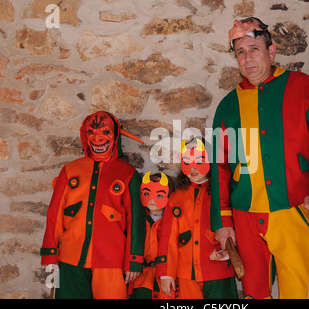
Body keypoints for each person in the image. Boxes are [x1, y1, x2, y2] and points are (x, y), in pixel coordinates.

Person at [210, 17, 309, 299]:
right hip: (244, 216)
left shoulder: (302, 87)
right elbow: (220, 168)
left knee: (298, 290)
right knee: (253, 293)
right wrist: (223, 221)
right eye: (240, 52)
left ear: (271, 52)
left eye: (254, 49)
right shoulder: (227, 106)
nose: (248, 59)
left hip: (293, 209)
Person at [40, 111, 145, 299]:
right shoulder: (70, 171)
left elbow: (135, 221)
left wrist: (134, 260)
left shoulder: (128, 174)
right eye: (92, 133)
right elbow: (54, 214)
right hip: (70, 260)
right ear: (85, 135)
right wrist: (50, 253)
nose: (98, 139)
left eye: (105, 132)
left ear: (115, 136)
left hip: (111, 262)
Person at [156, 138, 238, 299]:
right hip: (186, 274)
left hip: (218, 271)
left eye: (199, 161)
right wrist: (166, 273)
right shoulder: (176, 198)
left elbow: (238, 229)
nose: (193, 168)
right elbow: (168, 239)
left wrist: (227, 253)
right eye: (187, 162)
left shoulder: (223, 195)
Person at [129, 171, 175, 299]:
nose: (152, 200)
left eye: (159, 195)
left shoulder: (174, 221)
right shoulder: (138, 220)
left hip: (166, 280)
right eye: (147, 194)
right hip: (142, 280)